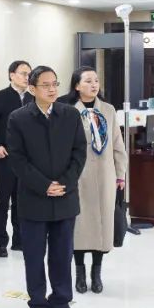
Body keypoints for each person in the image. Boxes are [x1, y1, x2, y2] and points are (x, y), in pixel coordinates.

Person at [6, 66, 87, 308]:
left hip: (65, 196)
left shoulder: (70, 114)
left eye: (55, 84)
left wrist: (64, 182)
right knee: (34, 255)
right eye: (45, 85)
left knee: (62, 254)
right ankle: (38, 303)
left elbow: (79, 152)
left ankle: (61, 302)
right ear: (32, 89)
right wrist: (43, 185)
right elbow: (17, 159)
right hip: (34, 198)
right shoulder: (18, 118)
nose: (52, 89)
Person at [60, 67, 127, 295]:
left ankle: (96, 273)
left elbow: (117, 144)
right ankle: (79, 272)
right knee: (80, 225)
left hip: (105, 176)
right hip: (78, 176)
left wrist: (120, 174)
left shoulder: (108, 110)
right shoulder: (68, 111)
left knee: (102, 225)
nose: (94, 84)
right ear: (77, 86)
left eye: (96, 80)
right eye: (88, 81)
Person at [0, 60, 32, 257]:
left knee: (22, 202)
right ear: (12, 75)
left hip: (27, 161)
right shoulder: (0, 97)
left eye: (29, 74)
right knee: (2, 201)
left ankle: (19, 240)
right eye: (23, 73)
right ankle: (1, 242)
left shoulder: (32, 98)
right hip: (6, 159)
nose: (27, 77)